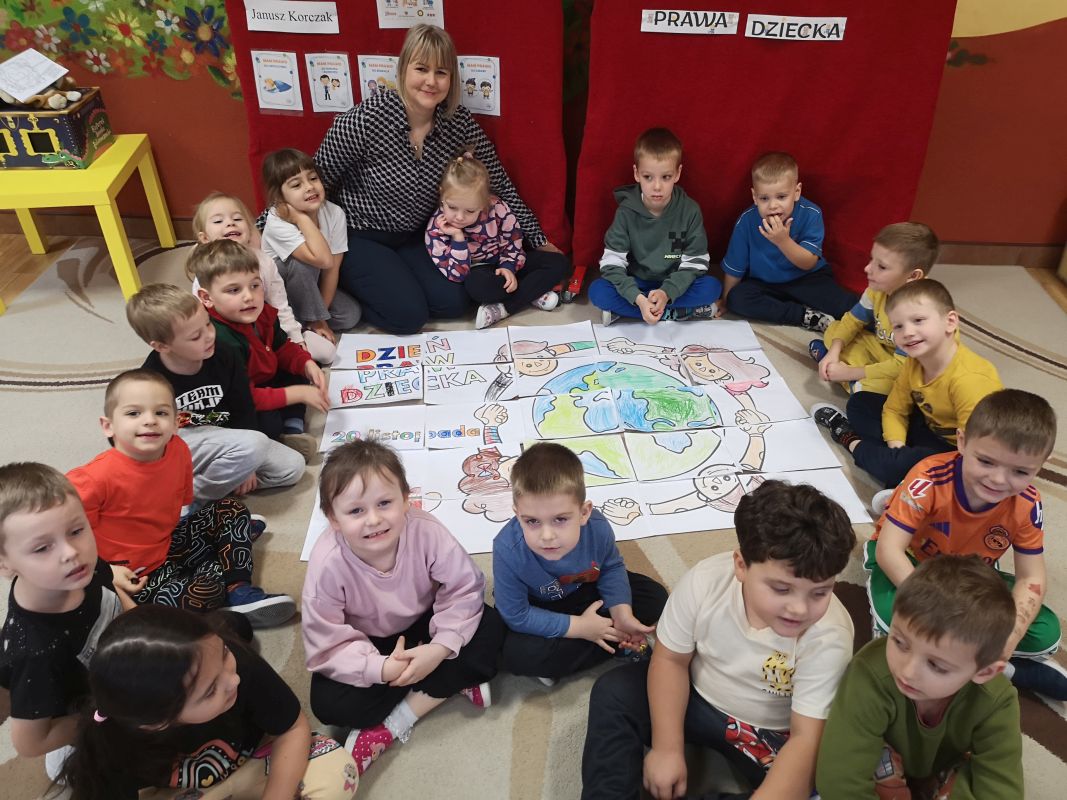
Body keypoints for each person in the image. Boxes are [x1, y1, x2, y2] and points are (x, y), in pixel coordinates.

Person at [581, 480, 856, 800]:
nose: (799, 609)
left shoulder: (829, 636)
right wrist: (667, 748)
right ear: (741, 566)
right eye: (781, 589)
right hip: (694, 695)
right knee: (614, 691)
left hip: (770, 731)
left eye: (820, 593)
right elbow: (670, 660)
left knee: (824, 781)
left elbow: (806, 738)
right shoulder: (705, 582)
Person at [312, 23, 566, 334]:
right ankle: (345, 289)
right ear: (403, 69)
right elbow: (315, 182)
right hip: (361, 235)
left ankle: (391, 284)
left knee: (454, 302)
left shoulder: (457, 121)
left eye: (441, 72)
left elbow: (499, 183)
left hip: (415, 236)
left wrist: (539, 240)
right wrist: (274, 236)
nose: (431, 81)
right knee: (408, 317)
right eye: (421, 69)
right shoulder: (364, 120)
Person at [302, 440, 505, 776]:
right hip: (368, 641)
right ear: (333, 518)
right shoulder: (327, 564)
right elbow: (326, 643)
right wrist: (380, 668)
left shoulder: (427, 531)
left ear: (406, 499)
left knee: (493, 626)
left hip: (426, 622)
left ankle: (394, 722)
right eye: (356, 511)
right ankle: (449, 680)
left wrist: (438, 649)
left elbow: (464, 587)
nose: (374, 520)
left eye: (385, 503)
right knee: (329, 705)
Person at [866, 389, 1067, 700]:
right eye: (986, 461)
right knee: (895, 620)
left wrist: (1008, 640)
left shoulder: (1028, 503)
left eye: (1020, 471)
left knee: (1045, 633)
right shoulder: (929, 477)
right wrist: (934, 607)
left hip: (969, 575)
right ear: (961, 441)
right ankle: (899, 503)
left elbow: (1031, 577)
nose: (998, 480)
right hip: (914, 564)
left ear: (1042, 464)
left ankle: (1000, 667)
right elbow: (889, 550)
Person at [66, 369, 296, 627]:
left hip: (167, 544)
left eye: (161, 413)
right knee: (203, 593)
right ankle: (227, 553)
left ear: (177, 422)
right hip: (132, 576)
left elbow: (181, 509)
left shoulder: (178, 449)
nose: (150, 420)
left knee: (232, 509)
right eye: (133, 413)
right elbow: (61, 541)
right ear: (108, 426)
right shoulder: (91, 480)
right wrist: (106, 572)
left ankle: (238, 588)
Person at [58, 605, 359, 800]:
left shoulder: (235, 663)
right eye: (210, 690)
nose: (233, 680)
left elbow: (292, 728)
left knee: (336, 772)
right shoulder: (116, 744)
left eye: (225, 653)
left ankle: (232, 620)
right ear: (157, 722)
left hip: (256, 759)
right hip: (184, 787)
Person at [817, 556, 1023, 799]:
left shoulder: (997, 700)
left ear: (984, 672)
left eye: (936, 665)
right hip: (884, 762)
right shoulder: (869, 673)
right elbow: (839, 781)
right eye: (899, 642)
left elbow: (1002, 791)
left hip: (944, 770)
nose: (908, 671)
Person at [0, 463, 135, 780]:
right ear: (5, 564)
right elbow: (30, 742)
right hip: (93, 717)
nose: (71, 552)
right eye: (42, 548)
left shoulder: (79, 568)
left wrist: (144, 623)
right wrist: (113, 709)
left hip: (125, 671)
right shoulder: (34, 651)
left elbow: (111, 589)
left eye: (76, 530)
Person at [492, 442, 668, 683]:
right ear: (517, 514)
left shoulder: (598, 528)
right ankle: (612, 640)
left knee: (654, 596)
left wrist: (622, 613)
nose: (546, 536)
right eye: (532, 521)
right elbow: (516, 615)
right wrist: (580, 628)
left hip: (587, 591)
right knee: (515, 653)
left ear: (584, 512)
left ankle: (598, 639)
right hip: (538, 605)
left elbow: (611, 567)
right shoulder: (506, 549)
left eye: (560, 519)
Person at [812, 279, 1002, 488]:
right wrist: (897, 450)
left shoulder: (969, 380)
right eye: (899, 327)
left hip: (960, 450)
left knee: (900, 467)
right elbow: (895, 409)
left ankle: (849, 439)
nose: (908, 332)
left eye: (919, 320)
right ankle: (894, 470)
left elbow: (977, 454)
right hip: (928, 427)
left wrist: (899, 461)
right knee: (861, 403)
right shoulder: (914, 361)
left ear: (950, 322)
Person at [130, 283, 305, 502]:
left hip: (230, 439)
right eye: (196, 336)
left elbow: (243, 407)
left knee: (292, 466)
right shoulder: (149, 381)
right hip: (183, 445)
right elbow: (133, 433)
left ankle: (188, 492)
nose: (209, 336)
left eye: (208, 324)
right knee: (255, 444)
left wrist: (245, 466)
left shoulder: (225, 354)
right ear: (162, 346)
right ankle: (187, 495)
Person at [188, 239, 329, 462]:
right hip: (237, 399)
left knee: (301, 366)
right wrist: (298, 394)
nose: (249, 296)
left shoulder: (262, 313)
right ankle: (279, 439)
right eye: (234, 290)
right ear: (207, 298)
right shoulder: (219, 340)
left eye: (255, 285)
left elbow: (282, 346)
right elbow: (244, 397)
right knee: (266, 422)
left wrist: (306, 364)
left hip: (261, 375)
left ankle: (292, 428)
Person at [588, 127, 720, 326]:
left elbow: (696, 262)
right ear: (636, 174)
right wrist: (638, 298)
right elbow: (612, 262)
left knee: (712, 287)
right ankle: (676, 312)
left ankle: (636, 312)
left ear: (677, 174)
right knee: (598, 291)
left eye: (665, 177)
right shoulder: (626, 212)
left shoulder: (690, 210)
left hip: (675, 282)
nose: (657, 187)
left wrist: (667, 292)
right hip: (638, 283)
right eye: (648, 177)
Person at [425, 151, 565, 329]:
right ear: (442, 196)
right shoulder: (437, 228)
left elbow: (513, 241)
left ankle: (506, 306)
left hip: (508, 261)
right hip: (479, 271)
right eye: (452, 207)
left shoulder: (498, 208)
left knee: (559, 262)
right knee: (478, 288)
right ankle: (529, 293)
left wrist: (508, 267)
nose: (459, 217)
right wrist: (457, 238)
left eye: (470, 211)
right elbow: (457, 274)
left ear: (484, 203)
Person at [192, 190, 336, 364]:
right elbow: (200, 316)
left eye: (237, 219)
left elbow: (279, 304)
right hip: (229, 336)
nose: (230, 223)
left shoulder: (264, 262)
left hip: (265, 328)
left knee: (326, 352)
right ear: (204, 237)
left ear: (249, 229)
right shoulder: (205, 271)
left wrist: (295, 337)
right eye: (218, 221)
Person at [720, 152, 857, 332]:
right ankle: (805, 316)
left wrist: (783, 241)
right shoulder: (746, 221)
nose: (773, 206)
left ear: (796, 192)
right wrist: (726, 300)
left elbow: (808, 263)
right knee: (737, 298)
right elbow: (735, 268)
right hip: (765, 283)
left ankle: (885, 323)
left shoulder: (811, 213)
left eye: (781, 197)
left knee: (845, 306)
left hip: (807, 279)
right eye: (764, 198)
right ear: (754, 196)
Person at [811, 222, 938, 395]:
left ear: (913, 276)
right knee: (834, 330)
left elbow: (901, 366)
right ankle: (842, 371)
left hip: (913, 368)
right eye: (872, 259)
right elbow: (852, 320)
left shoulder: (920, 314)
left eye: (882, 267)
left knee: (894, 388)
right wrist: (834, 352)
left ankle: (853, 383)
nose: (867, 268)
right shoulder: (878, 289)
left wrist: (850, 373)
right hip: (883, 350)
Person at [259, 148, 362, 343]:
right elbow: (322, 259)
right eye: (296, 185)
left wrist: (321, 315)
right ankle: (301, 322)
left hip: (309, 287)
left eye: (313, 178)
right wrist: (301, 218)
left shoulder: (334, 213)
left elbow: (331, 268)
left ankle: (302, 321)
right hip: (279, 291)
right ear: (280, 196)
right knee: (304, 263)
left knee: (349, 315)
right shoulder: (276, 221)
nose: (309, 187)